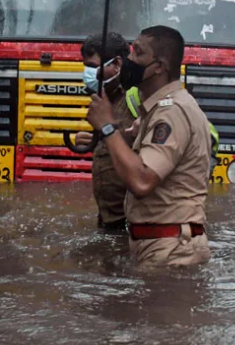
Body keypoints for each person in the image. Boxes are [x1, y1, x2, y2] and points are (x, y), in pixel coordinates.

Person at [86, 25, 212, 267]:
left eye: (138, 53)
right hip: (159, 245)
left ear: (159, 67)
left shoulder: (171, 112)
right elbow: (135, 145)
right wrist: (102, 136)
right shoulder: (156, 110)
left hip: (171, 251)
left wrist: (108, 126)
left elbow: (142, 180)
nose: (129, 60)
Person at [74, 32, 137, 229]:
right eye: (85, 66)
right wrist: (95, 140)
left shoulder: (136, 96)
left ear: (117, 63)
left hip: (132, 220)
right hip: (109, 218)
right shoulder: (103, 99)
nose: (87, 73)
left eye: (92, 67)